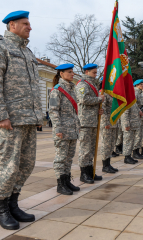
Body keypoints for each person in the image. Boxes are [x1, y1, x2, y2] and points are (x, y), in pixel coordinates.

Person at [0, 11, 43, 230]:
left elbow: (34, 87)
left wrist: (38, 116)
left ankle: (13, 204)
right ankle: (1, 211)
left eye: (29, 23)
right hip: (10, 121)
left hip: (28, 119)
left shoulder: (27, 52)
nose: (30, 27)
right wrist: (0, 116)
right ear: (12, 25)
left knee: (26, 165)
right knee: (8, 166)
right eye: (25, 24)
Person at [49, 64, 80, 195]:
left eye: (73, 72)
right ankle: (60, 184)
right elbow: (53, 111)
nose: (72, 74)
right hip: (63, 129)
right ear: (61, 74)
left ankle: (67, 181)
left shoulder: (72, 89)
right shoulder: (57, 90)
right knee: (61, 158)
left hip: (72, 129)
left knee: (69, 157)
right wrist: (58, 128)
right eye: (69, 72)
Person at [75, 63, 105, 184]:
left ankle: (90, 171)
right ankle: (83, 174)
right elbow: (83, 99)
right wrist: (99, 100)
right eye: (93, 72)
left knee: (91, 149)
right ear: (87, 72)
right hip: (85, 122)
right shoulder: (82, 84)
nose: (95, 74)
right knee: (85, 149)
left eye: (96, 72)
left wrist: (98, 109)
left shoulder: (92, 84)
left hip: (93, 121)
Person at [99, 78, 119, 173]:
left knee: (111, 144)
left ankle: (108, 164)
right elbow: (102, 110)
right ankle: (105, 165)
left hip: (114, 123)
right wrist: (105, 122)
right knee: (106, 144)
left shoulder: (112, 94)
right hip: (107, 123)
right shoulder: (103, 94)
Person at [132, 79, 143, 159]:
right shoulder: (135, 93)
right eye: (140, 84)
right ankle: (135, 152)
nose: (142, 86)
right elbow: (134, 104)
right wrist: (139, 110)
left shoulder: (139, 93)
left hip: (138, 116)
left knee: (139, 135)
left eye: (142, 84)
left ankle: (137, 152)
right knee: (136, 136)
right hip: (134, 117)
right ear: (136, 85)